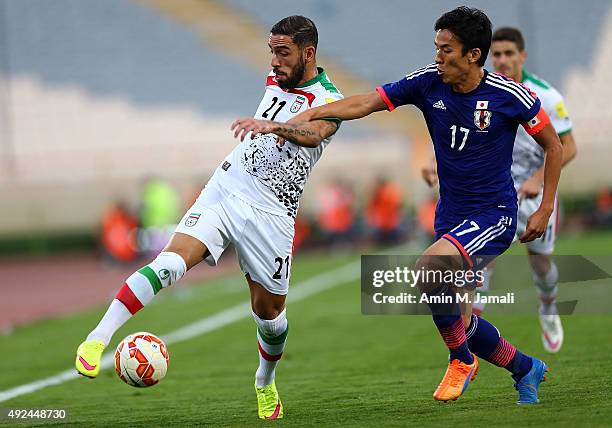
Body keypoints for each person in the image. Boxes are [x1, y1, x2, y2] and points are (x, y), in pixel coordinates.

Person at [232, 7, 562, 405]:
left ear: (473, 55)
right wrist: (311, 112)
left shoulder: (508, 95)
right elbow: (367, 103)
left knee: (429, 269)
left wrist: (544, 208)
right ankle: (526, 368)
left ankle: (460, 361)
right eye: (437, 47)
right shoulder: (427, 82)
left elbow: (554, 145)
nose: (438, 57)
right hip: (451, 215)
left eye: (447, 50)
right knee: (460, 316)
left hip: (494, 215)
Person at [75, 15, 343, 420]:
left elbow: (316, 134)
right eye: (271, 51)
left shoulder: (329, 99)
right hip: (230, 185)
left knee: (271, 318)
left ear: (308, 53)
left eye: (283, 52)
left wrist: (274, 127)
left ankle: (264, 381)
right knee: (169, 264)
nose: (273, 61)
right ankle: (96, 339)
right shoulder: (277, 79)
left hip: (274, 212)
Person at [467, 27, 577, 353]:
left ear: (522, 56)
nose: (502, 60)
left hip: (535, 194)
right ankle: (470, 343)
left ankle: (548, 306)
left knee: (540, 263)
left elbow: (568, 147)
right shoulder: (479, 91)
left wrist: (538, 180)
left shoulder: (546, 96)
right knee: (481, 261)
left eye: (508, 54)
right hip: (495, 194)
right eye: (496, 54)